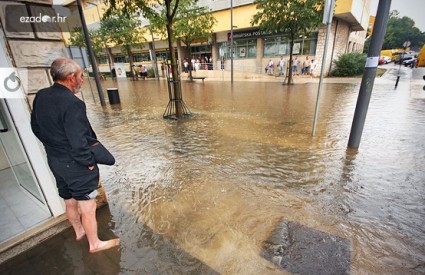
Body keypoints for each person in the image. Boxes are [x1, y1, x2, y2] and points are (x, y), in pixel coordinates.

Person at [30, 57, 120, 253]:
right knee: (88, 207)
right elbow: (79, 141)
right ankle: (95, 243)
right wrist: (88, 163)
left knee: (69, 200)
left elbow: (35, 127)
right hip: (76, 165)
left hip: (55, 160)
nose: (82, 79)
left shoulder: (41, 95)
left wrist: (53, 146)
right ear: (71, 77)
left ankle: (79, 231)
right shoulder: (73, 103)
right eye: (80, 76)